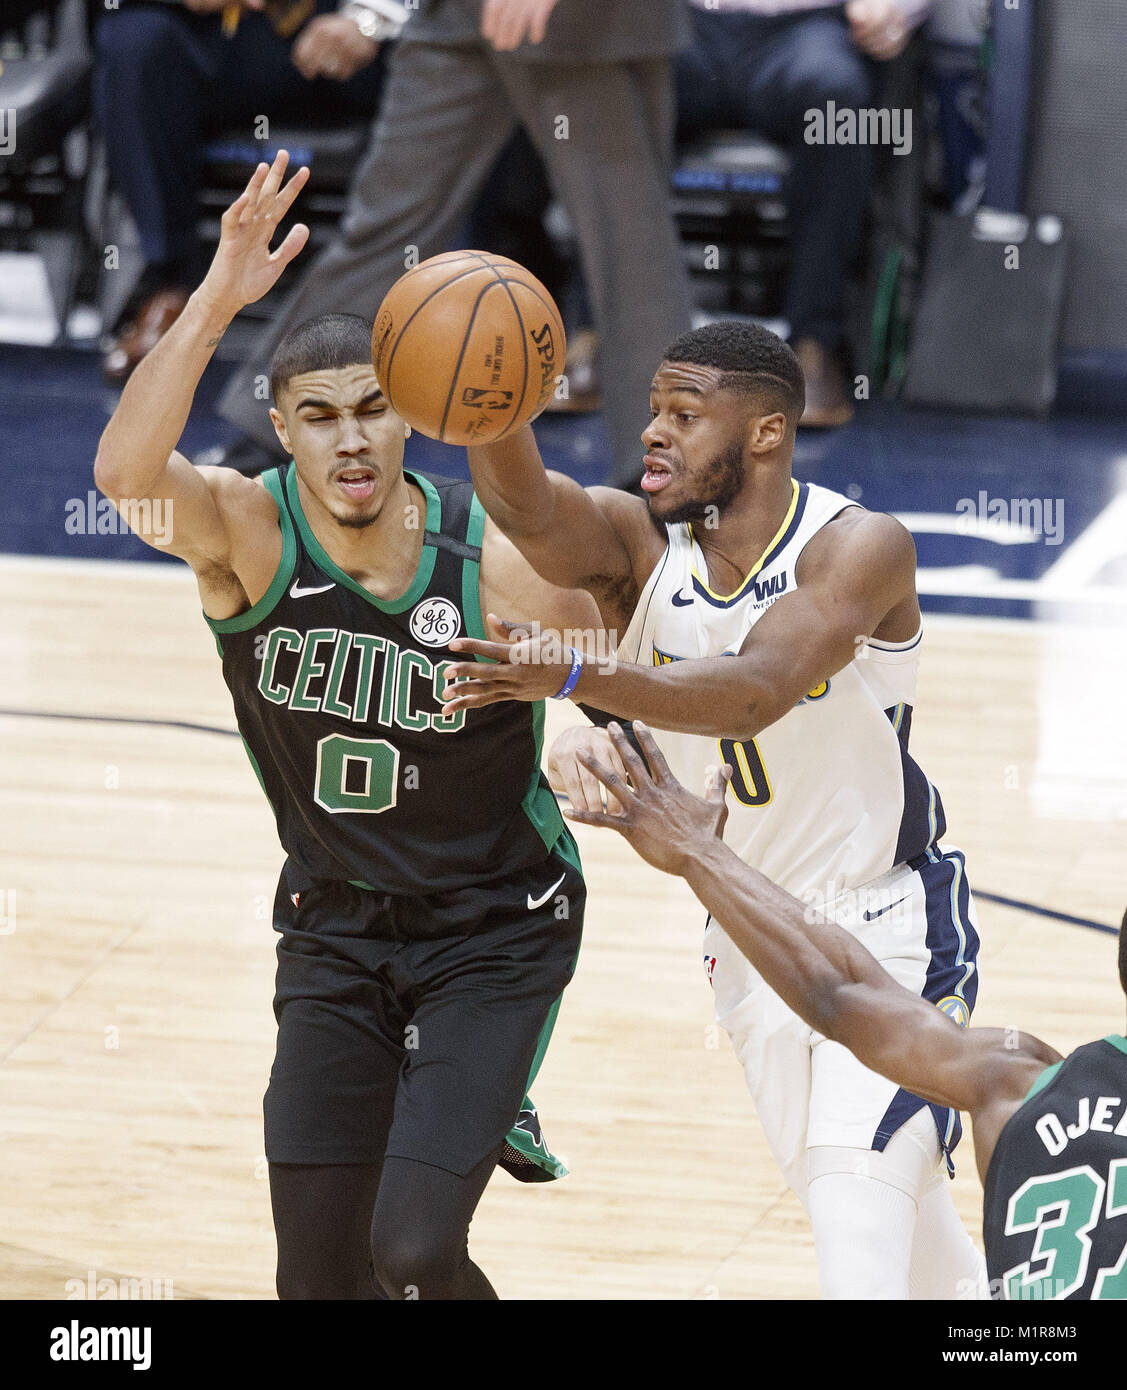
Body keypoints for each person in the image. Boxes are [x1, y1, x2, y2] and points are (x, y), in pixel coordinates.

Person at [93, 152, 599, 1299]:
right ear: (281, 428)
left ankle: (483, 1080)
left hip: (495, 925)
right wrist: (220, 292)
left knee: (412, 1250)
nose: (350, 441)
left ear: (412, 413)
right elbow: (126, 474)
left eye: (373, 408)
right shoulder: (247, 532)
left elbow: (610, 680)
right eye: (316, 418)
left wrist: (577, 711)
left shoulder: (498, 560)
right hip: (333, 930)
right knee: (316, 1282)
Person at [438, 318, 986, 1298]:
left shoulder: (858, 547)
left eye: (683, 414)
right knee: (907, 1245)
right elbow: (524, 506)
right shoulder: (633, 545)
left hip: (888, 922)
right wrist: (489, 407)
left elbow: (755, 685)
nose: (652, 431)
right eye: (652, 407)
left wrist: (571, 670)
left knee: (854, 1218)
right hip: (746, 936)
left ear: (766, 432)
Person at [567, 721, 1127, 1301]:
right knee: (867, 1225)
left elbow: (840, 997)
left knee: (863, 1249)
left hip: (851, 936)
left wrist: (700, 853)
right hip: (824, 935)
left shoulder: (1017, 1082)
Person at [205, 0, 694, 485]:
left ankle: (672, 475)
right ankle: (277, 432)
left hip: (582, 24)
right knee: (385, 227)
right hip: (451, 16)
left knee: (629, 246)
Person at [93, 0, 389, 383]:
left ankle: (394, 306)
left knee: (437, 60)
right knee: (133, 38)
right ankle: (172, 281)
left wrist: (369, 19)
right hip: (218, 37)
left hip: (335, 32)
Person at [676, 0, 934, 426]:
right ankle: (603, 330)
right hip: (681, 22)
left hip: (811, 28)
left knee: (836, 100)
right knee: (611, 81)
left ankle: (814, 342)